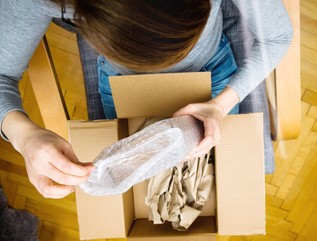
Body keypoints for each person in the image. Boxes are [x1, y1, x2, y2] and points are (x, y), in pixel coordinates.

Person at [0, 0, 293, 199]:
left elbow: (278, 36)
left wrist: (221, 104)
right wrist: (23, 134)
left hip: (211, 66)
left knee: (215, 170)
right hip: (121, 81)